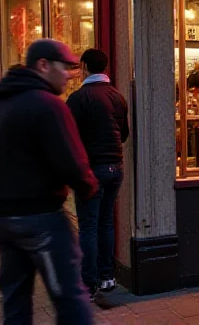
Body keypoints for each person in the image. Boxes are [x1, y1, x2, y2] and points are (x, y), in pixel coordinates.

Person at [0, 39, 98, 324]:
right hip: (41, 216)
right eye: (65, 67)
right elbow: (71, 160)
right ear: (43, 65)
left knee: (15, 297)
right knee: (69, 295)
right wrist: (88, 187)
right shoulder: (48, 104)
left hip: (1, 217)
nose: (70, 74)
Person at [67, 48, 130, 298]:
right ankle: (107, 277)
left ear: (84, 66)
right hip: (116, 167)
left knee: (88, 226)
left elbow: (68, 138)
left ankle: (88, 282)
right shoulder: (117, 96)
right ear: (105, 68)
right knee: (105, 222)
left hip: (91, 169)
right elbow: (123, 134)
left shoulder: (78, 98)